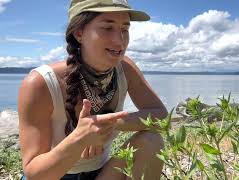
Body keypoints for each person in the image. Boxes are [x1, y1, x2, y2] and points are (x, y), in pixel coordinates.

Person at [18, 0, 168, 179]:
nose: (119, 40)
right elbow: (34, 174)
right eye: (107, 28)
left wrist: (107, 125)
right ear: (79, 33)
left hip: (102, 172)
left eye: (124, 29)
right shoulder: (40, 83)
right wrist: (79, 140)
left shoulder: (125, 68)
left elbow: (160, 116)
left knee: (152, 140)